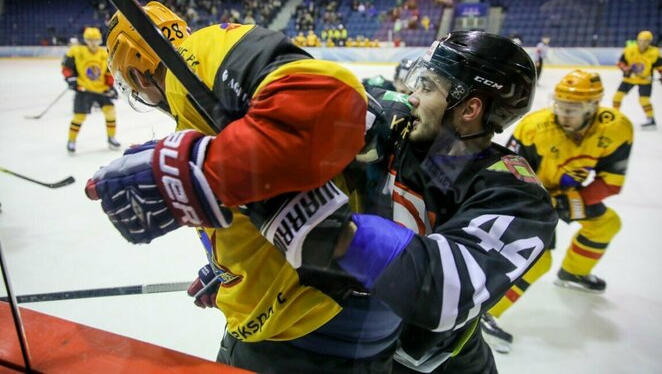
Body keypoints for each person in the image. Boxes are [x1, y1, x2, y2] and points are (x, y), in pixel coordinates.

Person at [88, 1, 403, 373]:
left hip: (302, 331)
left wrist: (199, 174)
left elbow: (329, 105)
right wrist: (227, 269)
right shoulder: (191, 92)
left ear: (139, 78)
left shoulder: (193, 60)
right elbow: (268, 173)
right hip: (329, 317)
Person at [227, 32, 558, 373]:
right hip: (357, 343)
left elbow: (443, 289)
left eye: (427, 87)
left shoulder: (516, 196)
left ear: (470, 108)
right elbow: (300, 110)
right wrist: (251, 261)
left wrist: (336, 234)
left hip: (440, 363)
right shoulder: (395, 120)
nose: (411, 96)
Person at [482, 70, 633, 354]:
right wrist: (539, 205)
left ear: (593, 107)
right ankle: (484, 312)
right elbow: (508, 174)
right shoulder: (535, 128)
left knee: (606, 223)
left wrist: (568, 202)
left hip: (567, 196)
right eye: (560, 105)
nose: (564, 113)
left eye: (573, 108)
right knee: (538, 260)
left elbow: (611, 182)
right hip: (529, 197)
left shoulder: (616, 129)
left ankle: (574, 273)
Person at [62, 27, 120, 154]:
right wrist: (70, 79)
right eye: (90, 40)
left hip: (101, 90)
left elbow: (107, 73)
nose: (93, 43)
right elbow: (66, 67)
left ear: (100, 40)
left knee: (110, 113)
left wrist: (111, 87)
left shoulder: (104, 54)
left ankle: (111, 138)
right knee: (79, 117)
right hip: (84, 89)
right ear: (85, 40)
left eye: (96, 40)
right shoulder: (76, 51)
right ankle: (71, 140)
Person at [612, 30, 662, 128]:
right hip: (630, 78)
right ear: (637, 40)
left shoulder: (654, 52)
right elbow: (620, 63)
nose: (642, 43)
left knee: (644, 100)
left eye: (645, 41)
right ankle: (615, 116)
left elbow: (660, 66)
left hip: (645, 80)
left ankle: (651, 119)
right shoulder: (630, 49)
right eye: (640, 40)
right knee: (617, 97)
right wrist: (625, 69)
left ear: (649, 42)